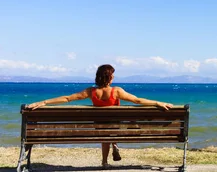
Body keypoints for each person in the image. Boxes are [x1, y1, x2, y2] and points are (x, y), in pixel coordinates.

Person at [26, 64, 173, 169]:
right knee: (113, 126)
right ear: (109, 77)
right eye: (113, 75)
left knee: (104, 131)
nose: (114, 77)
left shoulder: (91, 92)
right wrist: (158, 102)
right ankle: (115, 143)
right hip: (116, 124)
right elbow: (137, 100)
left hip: (99, 126)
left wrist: (43, 102)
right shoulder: (117, 91)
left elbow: (68, 98)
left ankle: (104, 161)